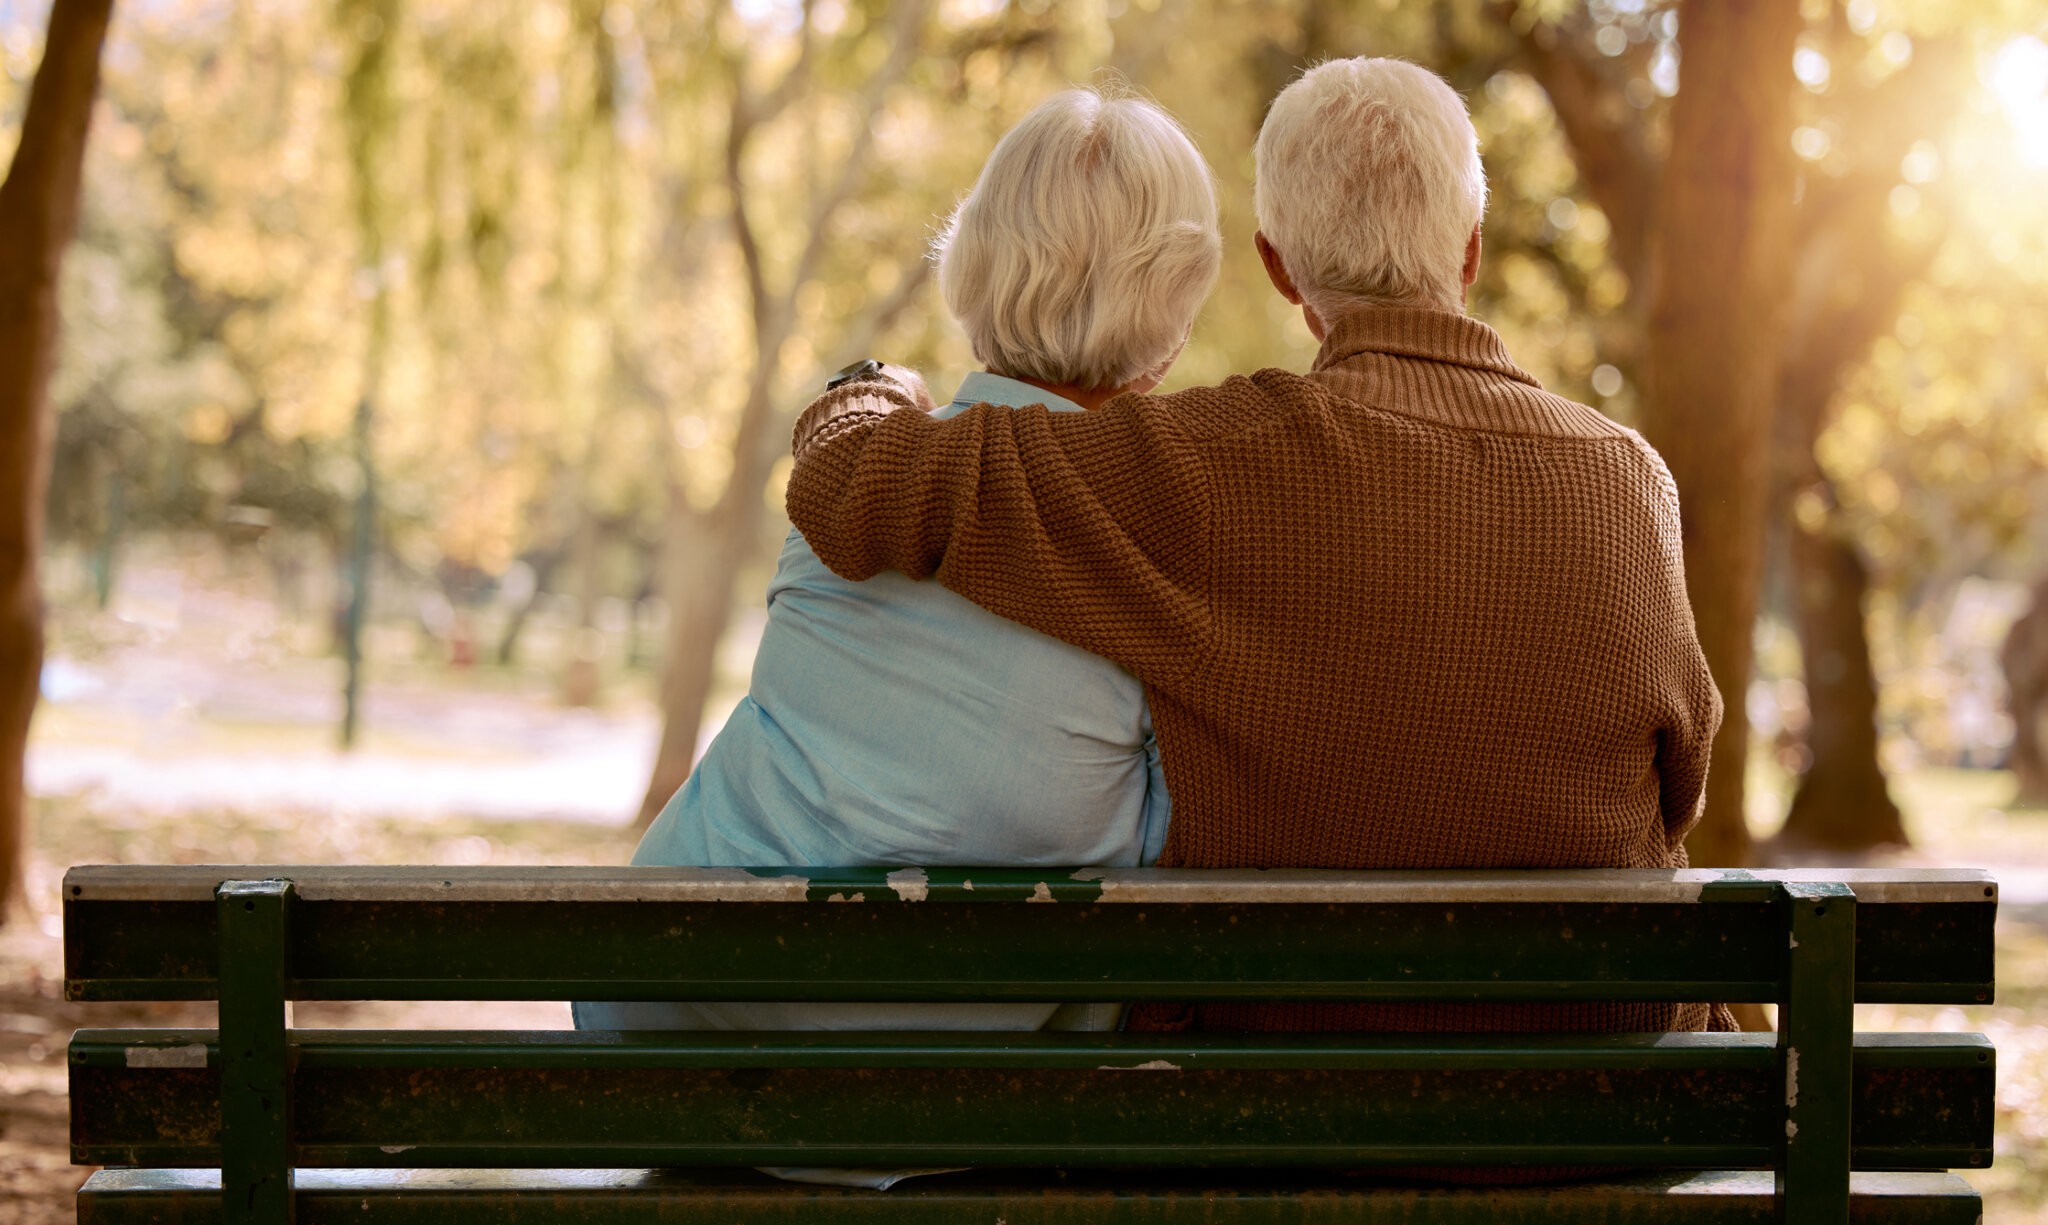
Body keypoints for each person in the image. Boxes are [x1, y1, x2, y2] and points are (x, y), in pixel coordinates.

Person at [783, 57, 1727, 1038]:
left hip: (1286, 1106)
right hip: (1615, 1097)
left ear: (1278, 269)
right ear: (1471, 251)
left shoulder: (1207, 464)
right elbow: (1680, 782)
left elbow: (858, 486)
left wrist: (866, 391)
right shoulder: (1628, 478)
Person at [577, 88, 1220, 1047]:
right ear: (1174, 302)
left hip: (687, 1025)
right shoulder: (1171, 543)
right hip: (970, 1085)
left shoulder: (856, 477)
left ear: (975, 260)